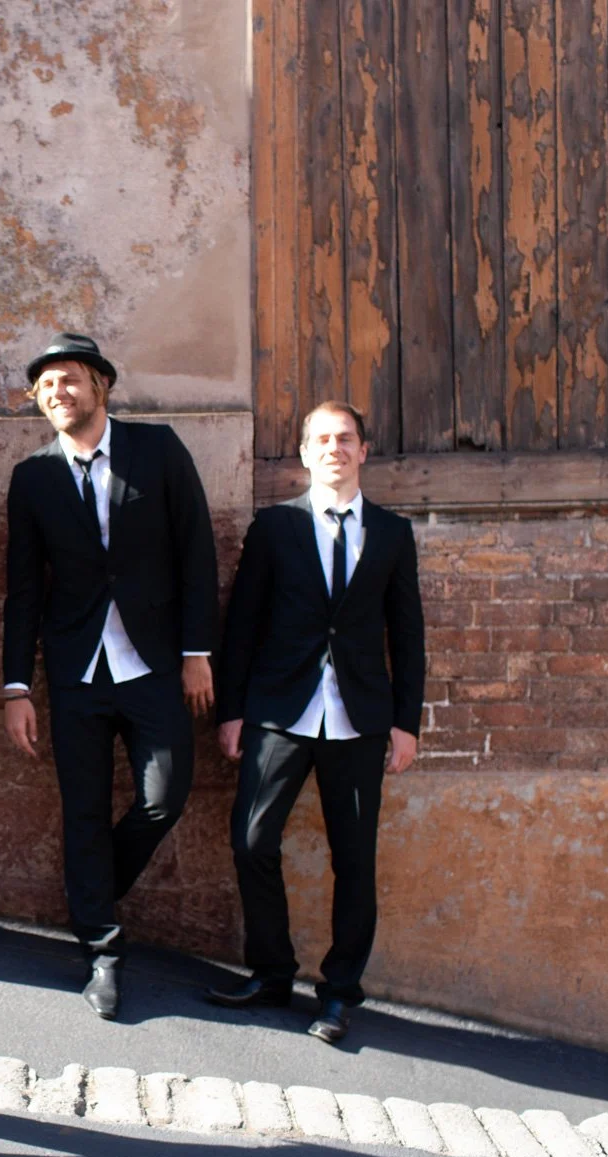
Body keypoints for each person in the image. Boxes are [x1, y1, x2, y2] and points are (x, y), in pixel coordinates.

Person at [1, 333, 219, 1020]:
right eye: (45, 387)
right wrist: (16, 687)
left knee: (165, 793)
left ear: (100, 385)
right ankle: (101, 947)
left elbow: (197, 551)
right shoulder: (32, 476)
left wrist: (196, 652)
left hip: (154, 663)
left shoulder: (157, 450)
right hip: (76, 672)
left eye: (69, 380)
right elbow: (23, 590)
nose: (57, 393)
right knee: (84, 809)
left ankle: (91, 888)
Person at [209, 401, 425, 1045]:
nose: (334, 448)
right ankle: (272, 971)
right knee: (251, 840)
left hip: (360, 720)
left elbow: (407, 637)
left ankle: (337, 994)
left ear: (364, 451)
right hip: (281, 712)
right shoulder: (274, 528)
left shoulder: (392, 533)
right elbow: (241, 624)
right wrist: (233, 710)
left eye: (346, 438)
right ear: (304, 454)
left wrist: (405, 723)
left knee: (354, 860)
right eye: (322, 439)